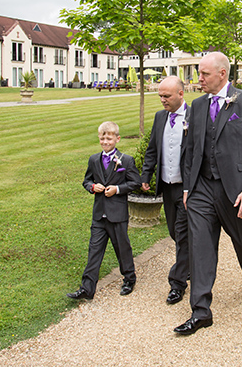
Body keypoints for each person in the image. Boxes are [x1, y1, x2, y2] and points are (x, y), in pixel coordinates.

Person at [174, 52, 242, 335]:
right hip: (202, 189)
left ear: (222, 74)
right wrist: (189, 187)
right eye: (198, 73)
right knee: (200, 247)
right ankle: (201, 311)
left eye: (203, 74)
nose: (198, 79)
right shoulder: (198, 105)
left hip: (235, 190)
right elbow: (190, 149)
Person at [67, 121, 142, 300]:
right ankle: (87, 287)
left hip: (117, 214)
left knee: (122, 248)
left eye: (109, 138)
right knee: (94, 250)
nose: (105, 141)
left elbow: (135, 183)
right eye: (102, 138)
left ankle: (129, 278)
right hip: (99, 214)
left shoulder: (126, 160)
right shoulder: (94, 160)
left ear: (117, 139)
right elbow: (86, 181)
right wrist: (93, 187)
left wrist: (117, 189)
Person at [141, 76, 190, 305]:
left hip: (187, 189)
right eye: (160, 95)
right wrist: (145, 176)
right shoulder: (160, 117)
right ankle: (189, 264)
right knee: (174, 232)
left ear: (181, 94)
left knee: (182, 234)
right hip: (166, 186)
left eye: (166, 96)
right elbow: (152, 149)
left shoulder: (194, 117)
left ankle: (177, 283)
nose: (162, 100)